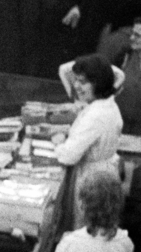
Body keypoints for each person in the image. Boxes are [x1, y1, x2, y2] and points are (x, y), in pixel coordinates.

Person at [53, 52, 124, 186]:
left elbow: (68, 157)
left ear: (99, 83)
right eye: (76, 80)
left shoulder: (97, 114)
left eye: (83, 82)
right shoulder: (107, 104)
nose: (76, 86)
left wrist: (58, 143)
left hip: (91, 182)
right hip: (101, 177)